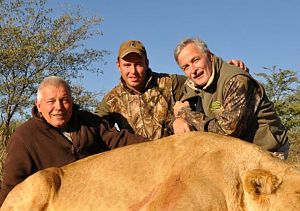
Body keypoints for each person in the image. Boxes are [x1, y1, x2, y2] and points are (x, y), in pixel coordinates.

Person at [0, 76, 147, 205]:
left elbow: (119, 140)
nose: (58, 107)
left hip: (102, 197)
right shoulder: (24, 136)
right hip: (59, 209)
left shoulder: (88, 120)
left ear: (71, 101)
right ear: (39, 105)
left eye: (64, 100)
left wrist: (159, 146)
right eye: (51, 101)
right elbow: (12, 185)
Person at [96, 40, 248, 140]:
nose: (133, 71)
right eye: (127, 65)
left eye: (138, 64)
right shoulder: (111, 99)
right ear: (118, 66)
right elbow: (94, 125)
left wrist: (225, 69)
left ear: (147, 63)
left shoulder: (171, 82)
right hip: (139, 164)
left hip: (173, 158)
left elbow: (201, 79)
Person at [172, 37, 289, 159]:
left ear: (210, 56)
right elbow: (181, 105)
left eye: (195, 60)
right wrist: (179, 119)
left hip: (266, 150)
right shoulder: (192, 84)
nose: (193, 70)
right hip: (236, 152)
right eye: (186, 67)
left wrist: (186, 114)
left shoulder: (236, 80)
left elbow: (227, 131)